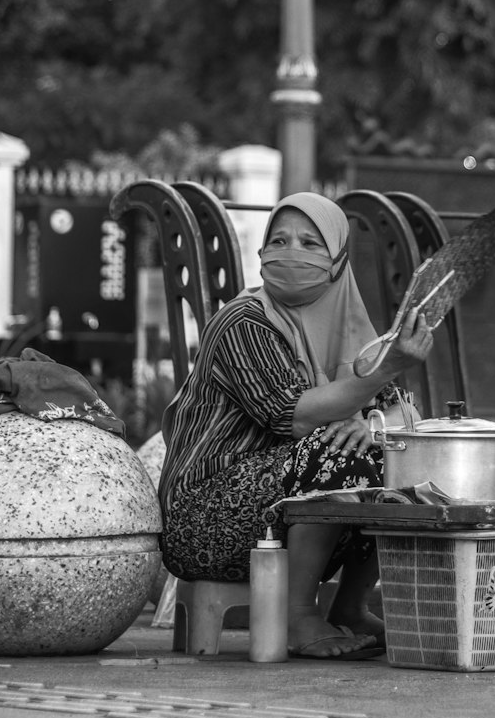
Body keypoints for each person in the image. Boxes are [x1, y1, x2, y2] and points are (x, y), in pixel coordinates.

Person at [158, 191, 433, 659]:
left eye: (310, 243)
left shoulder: (352, 331)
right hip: (204, 517)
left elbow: (406, 414)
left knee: (393, 451)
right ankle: (296, 614)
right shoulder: (241, 324)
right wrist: (384, 376)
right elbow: (293, 414)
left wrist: (377, 424)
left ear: (339, 260)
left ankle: (349, 607)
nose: (290, 253)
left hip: (280, 511)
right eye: (279, 240)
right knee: (334, 451)